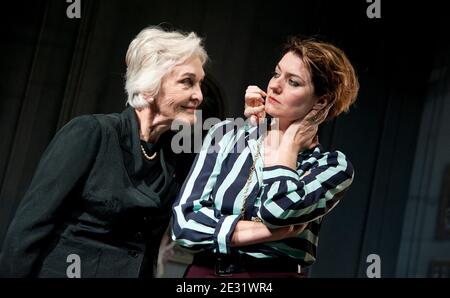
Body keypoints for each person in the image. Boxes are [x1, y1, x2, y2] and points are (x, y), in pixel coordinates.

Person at [0, 26, 208, 278]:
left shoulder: (172, 156)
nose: (198, 95)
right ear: (150, 84)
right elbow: (28, 231)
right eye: (187, 82)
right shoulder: (91, 133)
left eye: (200, 84)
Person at [171, 36, 359, 278]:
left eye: (293, 82)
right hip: (204, 273)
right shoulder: (227, 135)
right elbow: (184, 223)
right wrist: (269, 233)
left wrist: (288, 146)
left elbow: (278, 210)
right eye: (276, 73)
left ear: (321, 102)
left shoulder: (332, 166)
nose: (275, 86)